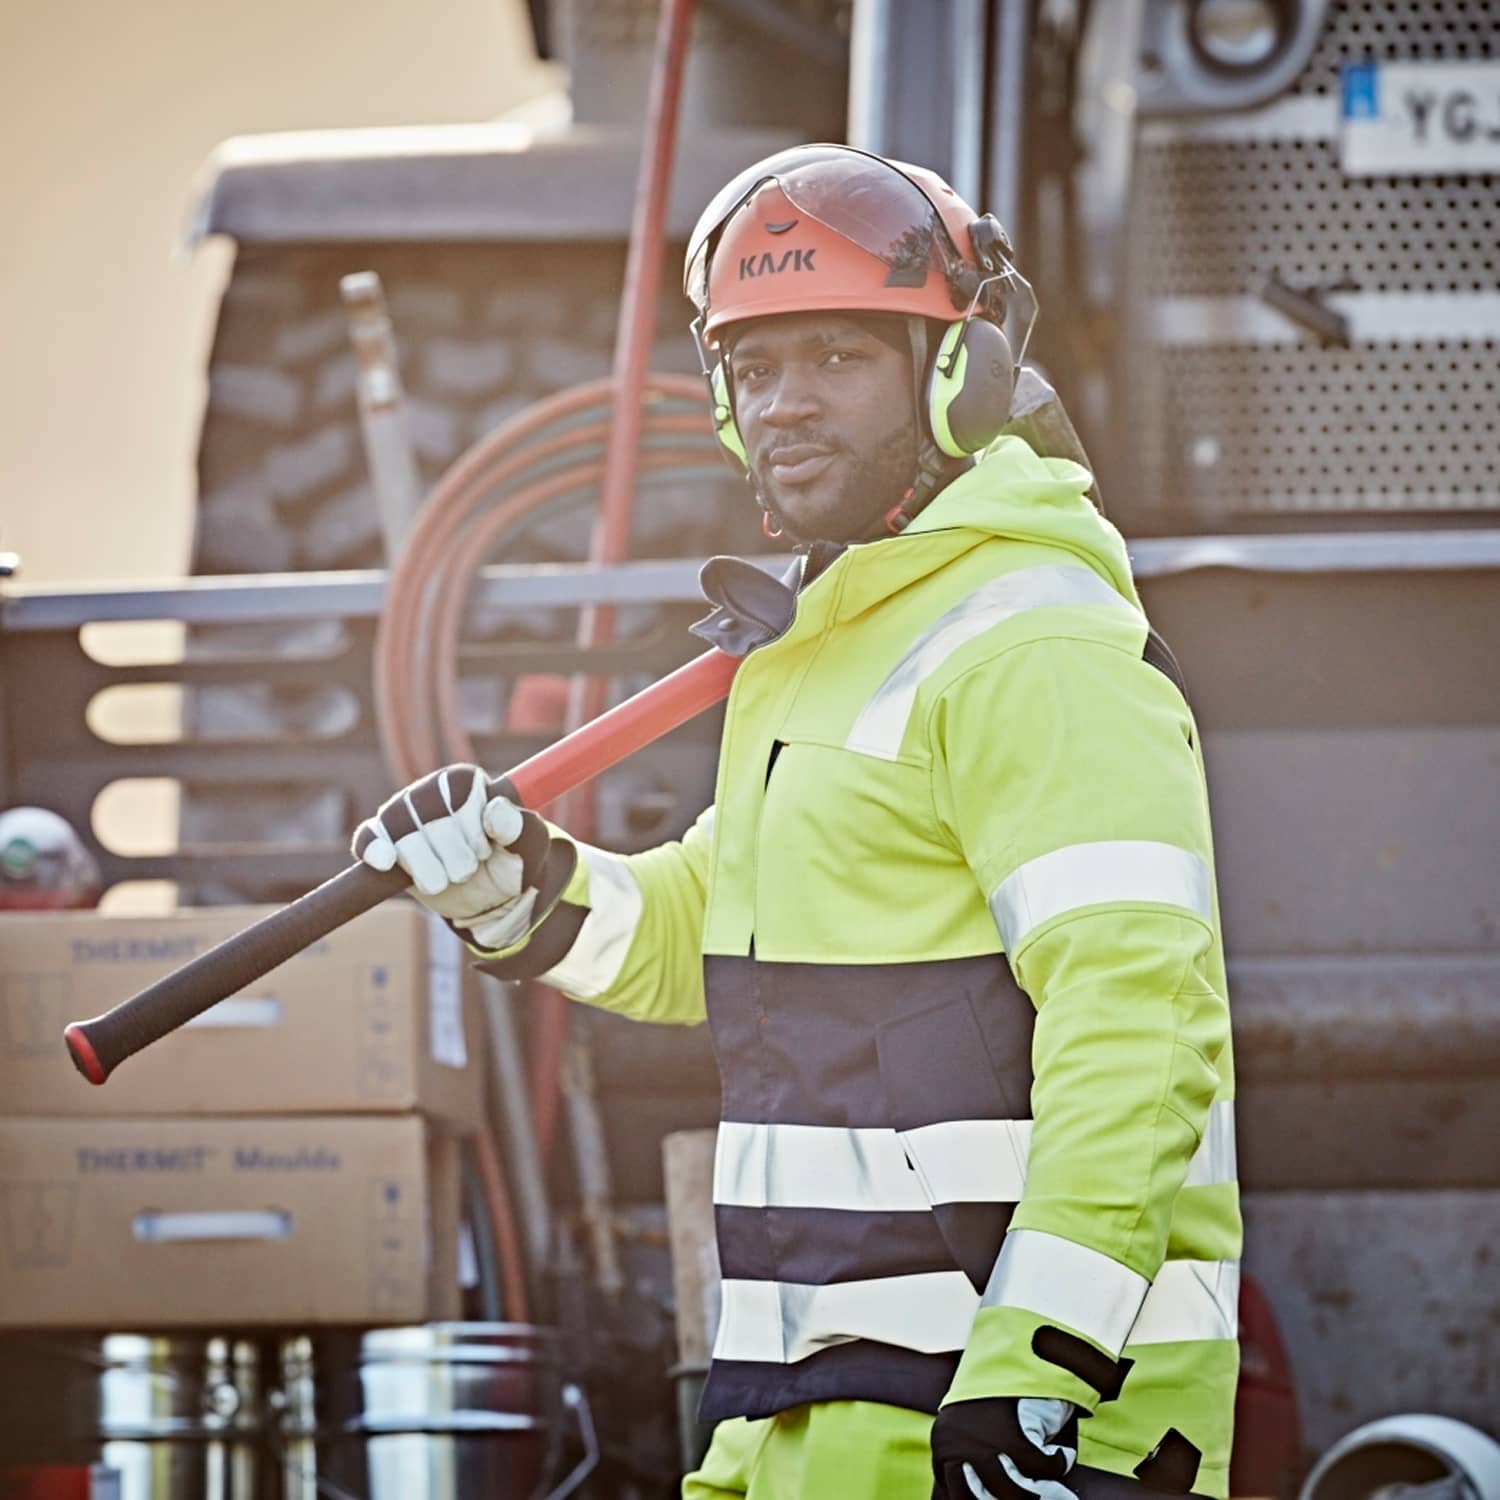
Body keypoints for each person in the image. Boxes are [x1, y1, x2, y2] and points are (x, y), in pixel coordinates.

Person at [353, 145, 1240, 1500]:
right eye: (755, 370)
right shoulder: (818, 651)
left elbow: (1140, 1026)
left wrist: (1037, 1376)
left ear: (961, 375)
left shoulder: (1033, 650)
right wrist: (522, 895)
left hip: (1010, 1429)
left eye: (835, 357)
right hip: (804, 1414)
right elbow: (705, 935)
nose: (785, 405)